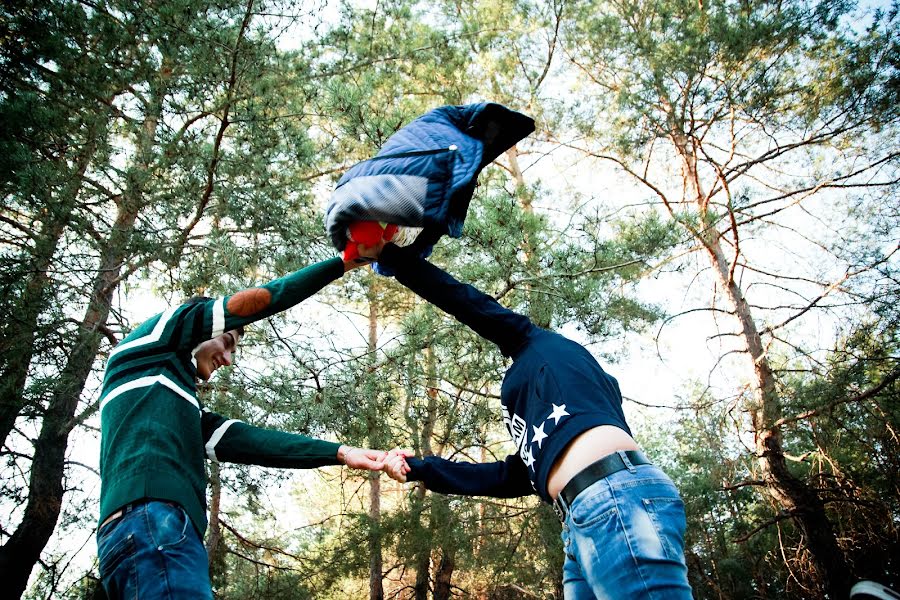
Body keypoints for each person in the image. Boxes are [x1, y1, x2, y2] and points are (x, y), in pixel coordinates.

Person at [376, 242, 692, 599]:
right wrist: (418, 468)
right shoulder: (547, 434)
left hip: (614, 498)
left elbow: (468, 303)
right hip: (580, 520)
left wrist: (397, 260)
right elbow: (507, 476)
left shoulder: (540, 345)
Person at [96, 251, 391, 599]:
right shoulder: (161, 335)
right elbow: (261, 299)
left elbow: (254, 442)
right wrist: (344, 262)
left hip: (127, 537)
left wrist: (342, 452)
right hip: (155, 522)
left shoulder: (176, 404)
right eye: (227, 341)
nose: (228, 358)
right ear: (201, 328)